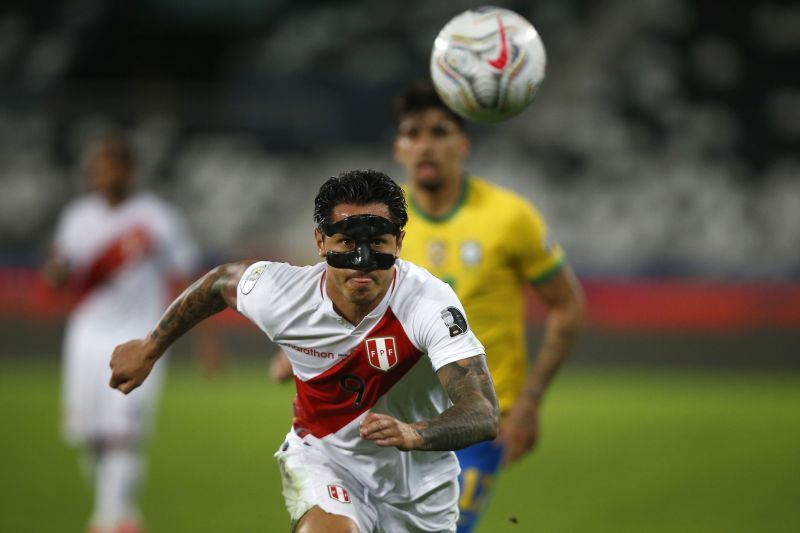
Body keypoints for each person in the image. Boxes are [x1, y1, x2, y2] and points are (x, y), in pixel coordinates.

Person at [109, 169, 500, 532]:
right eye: (346, 241)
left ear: (399, 242)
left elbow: (482, 411)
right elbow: (218, 283)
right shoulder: (282, 293)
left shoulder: (429, 303)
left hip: (422, 492)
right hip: (326, 462)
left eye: (377, 242)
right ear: (319, 242)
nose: (362, 261)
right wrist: (150, 346)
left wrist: (413, 433)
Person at [392, 82, 586, 532]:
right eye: (412, 133)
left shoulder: (508, 217)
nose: (425, 145)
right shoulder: (381, 220)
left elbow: (567, 305)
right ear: (397, 147)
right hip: (393, 419)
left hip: (476, 422)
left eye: (439, 132)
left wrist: (531, 401)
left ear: (462, 145)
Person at [43, 133, 202, 533]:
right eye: (97, 167)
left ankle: (106, 520)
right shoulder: (78, 216)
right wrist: (56, 272)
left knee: (122, 431)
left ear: (128, 170)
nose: (100, 174)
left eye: (109, 165)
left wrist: (204, 339)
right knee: (90, 435)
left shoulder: (156, 217)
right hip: (86, 336)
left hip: (139, 337)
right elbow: (59, 271)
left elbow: (187, 278)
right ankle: (123, 515)